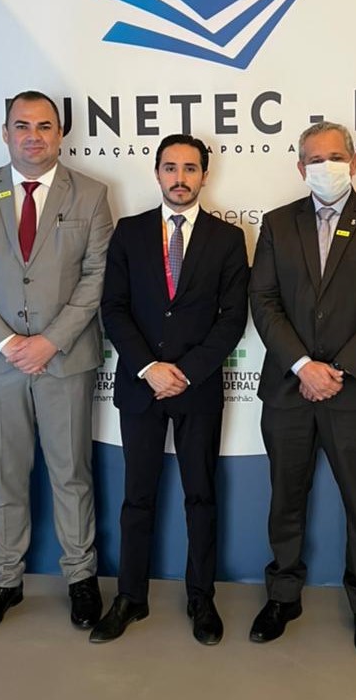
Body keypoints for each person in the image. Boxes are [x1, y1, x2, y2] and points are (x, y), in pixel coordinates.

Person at [0, 90, 112, 633]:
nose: (33, 136)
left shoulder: (91, 194)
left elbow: (97, 276)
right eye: (22, 126)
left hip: (65, 359)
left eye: (44, 126)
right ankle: (4, 580)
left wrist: (50, 341)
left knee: (71, 473)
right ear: (6, 132)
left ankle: (81, 578)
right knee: (6, 473)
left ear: (60, 134)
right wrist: (5, 341)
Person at [248, 121, 356, 658]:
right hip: (288, 389)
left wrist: (336, 369)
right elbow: (263, 301)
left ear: (354, 162)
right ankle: (283, 597)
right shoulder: (277, 224)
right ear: (300, 168)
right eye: (315, 159)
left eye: (336, 157)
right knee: (285, 499)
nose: (326, 167)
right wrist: (303, 365)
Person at [92, 134, 249, 645]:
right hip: (141, 387)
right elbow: (113, 307)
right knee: (137, 496)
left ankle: (201, 597)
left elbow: (232, 318)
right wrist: (149, 368)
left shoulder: (227, 239)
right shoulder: (130, 231)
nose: (180, 178)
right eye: (170, 168)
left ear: (205, 174)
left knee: (200, 495)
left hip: (196, 388)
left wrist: (185, 371)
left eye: (189, 168)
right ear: (157, 173)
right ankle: (130, 597)